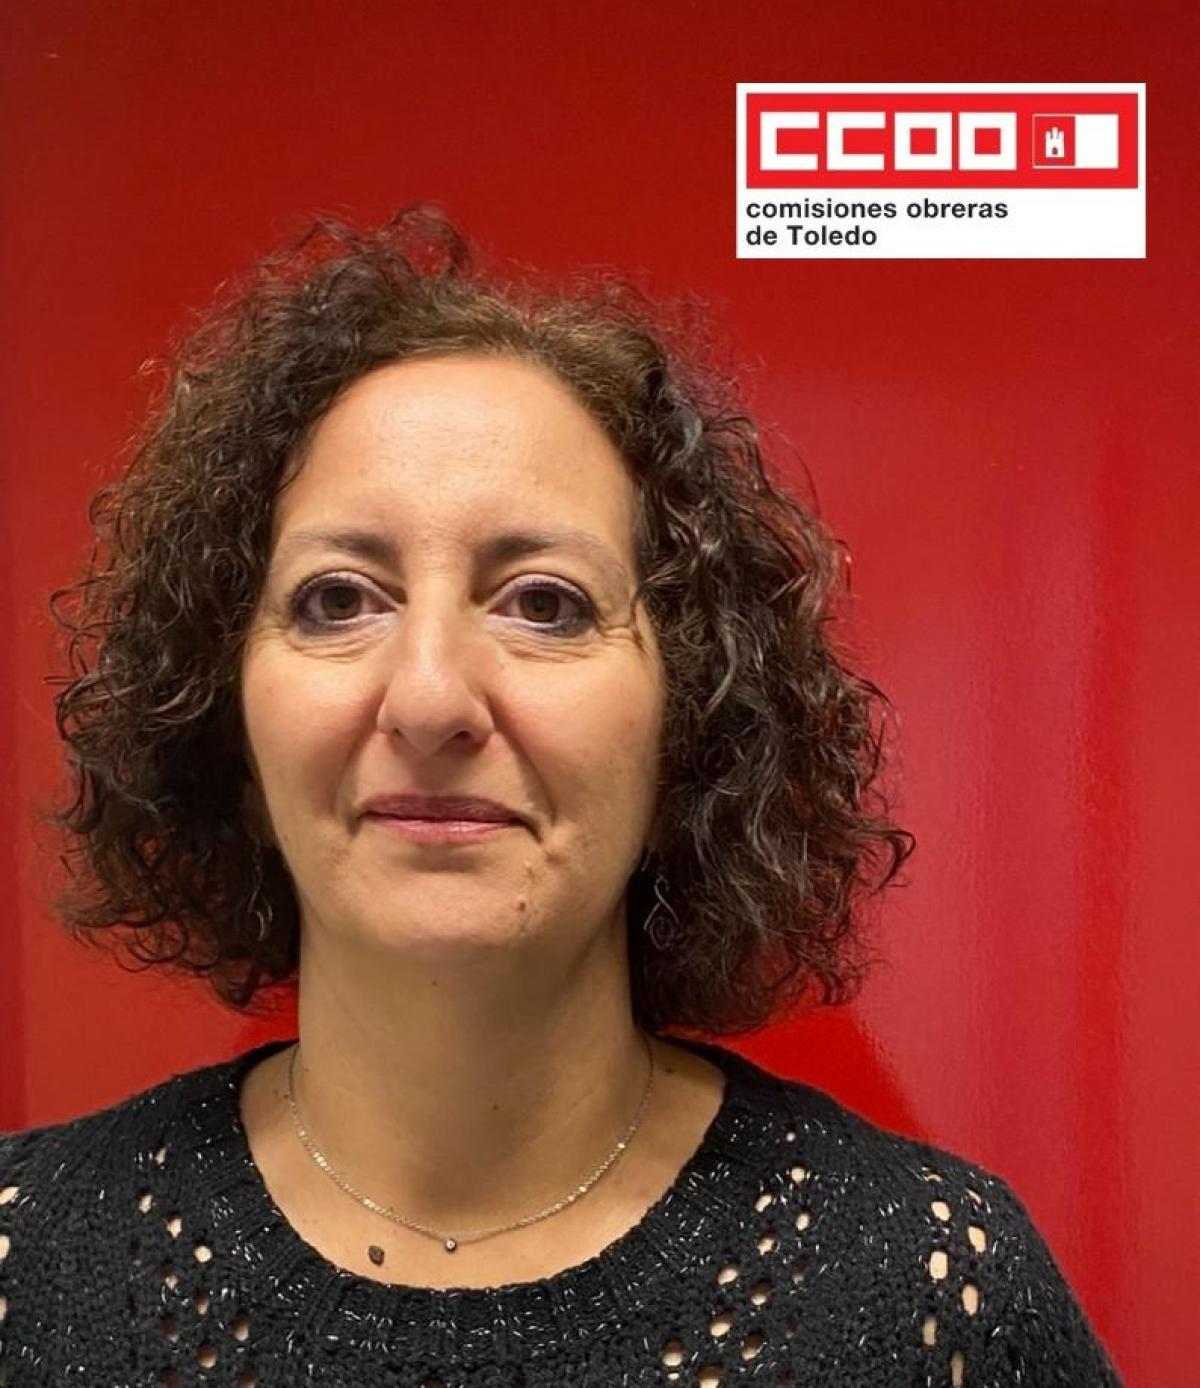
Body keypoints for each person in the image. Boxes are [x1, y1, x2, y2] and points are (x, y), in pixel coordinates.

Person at [0, 207, 1122, 1386]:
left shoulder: (941, 1299)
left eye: (544, 603)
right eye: (338, 599)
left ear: (689, 720)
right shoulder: (23, 1267)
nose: (430, 697)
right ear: (224, 718)